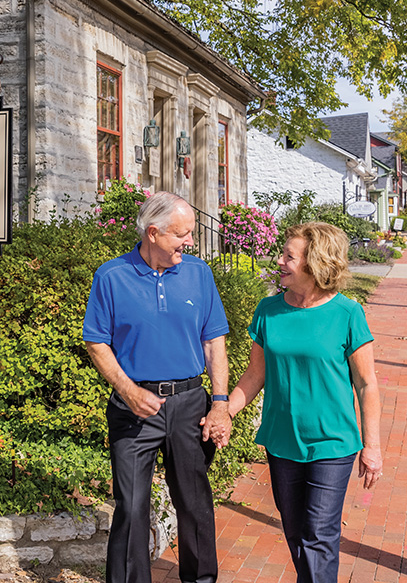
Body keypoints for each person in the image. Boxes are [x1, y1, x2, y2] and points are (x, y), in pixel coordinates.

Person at [83, 191, 231, 583]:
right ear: (153, 232)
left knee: (195, 503)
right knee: (131, 507)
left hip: (189, 405)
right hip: (134, 408)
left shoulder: (199, 273)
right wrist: (129, 391)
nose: (190, 242)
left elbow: (215, 341)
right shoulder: (111, 276)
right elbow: (96, 342)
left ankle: (201, 579)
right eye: (182, 234)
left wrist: (219, 404)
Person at [222, 222, 382, 583]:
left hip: (332, 442)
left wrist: (372, 446)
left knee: (318, 536)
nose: (278, 261)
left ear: (315, 263)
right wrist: (224, 412)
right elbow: (254, 374)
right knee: (296, 533)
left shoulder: (347, 313)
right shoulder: (268, 310)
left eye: (288, 256)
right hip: (282, 441)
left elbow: (367, 384)